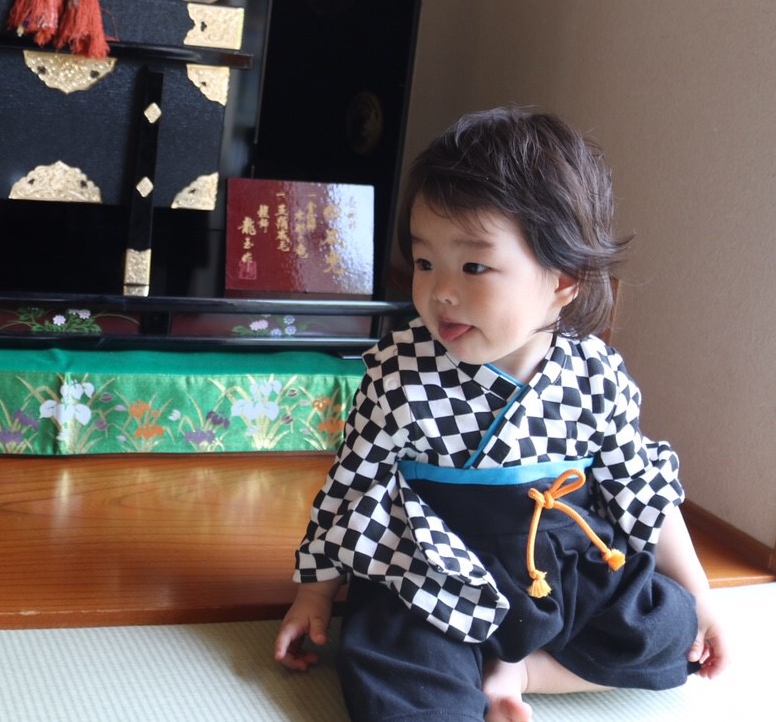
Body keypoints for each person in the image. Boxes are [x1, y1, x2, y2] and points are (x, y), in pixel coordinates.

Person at [273, 107, 728, 722]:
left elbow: (642, 491)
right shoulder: (399, 372)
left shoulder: (596, 376)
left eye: (474, 267)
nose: (440, 291)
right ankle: (460, 683)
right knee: (390, 660)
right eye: (425, 262)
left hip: (557, 570)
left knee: (672, 634)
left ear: (563, 279)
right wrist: (315, 593)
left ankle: (523, 672)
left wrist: (700, 599)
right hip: (433, 568)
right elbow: (352, 486)